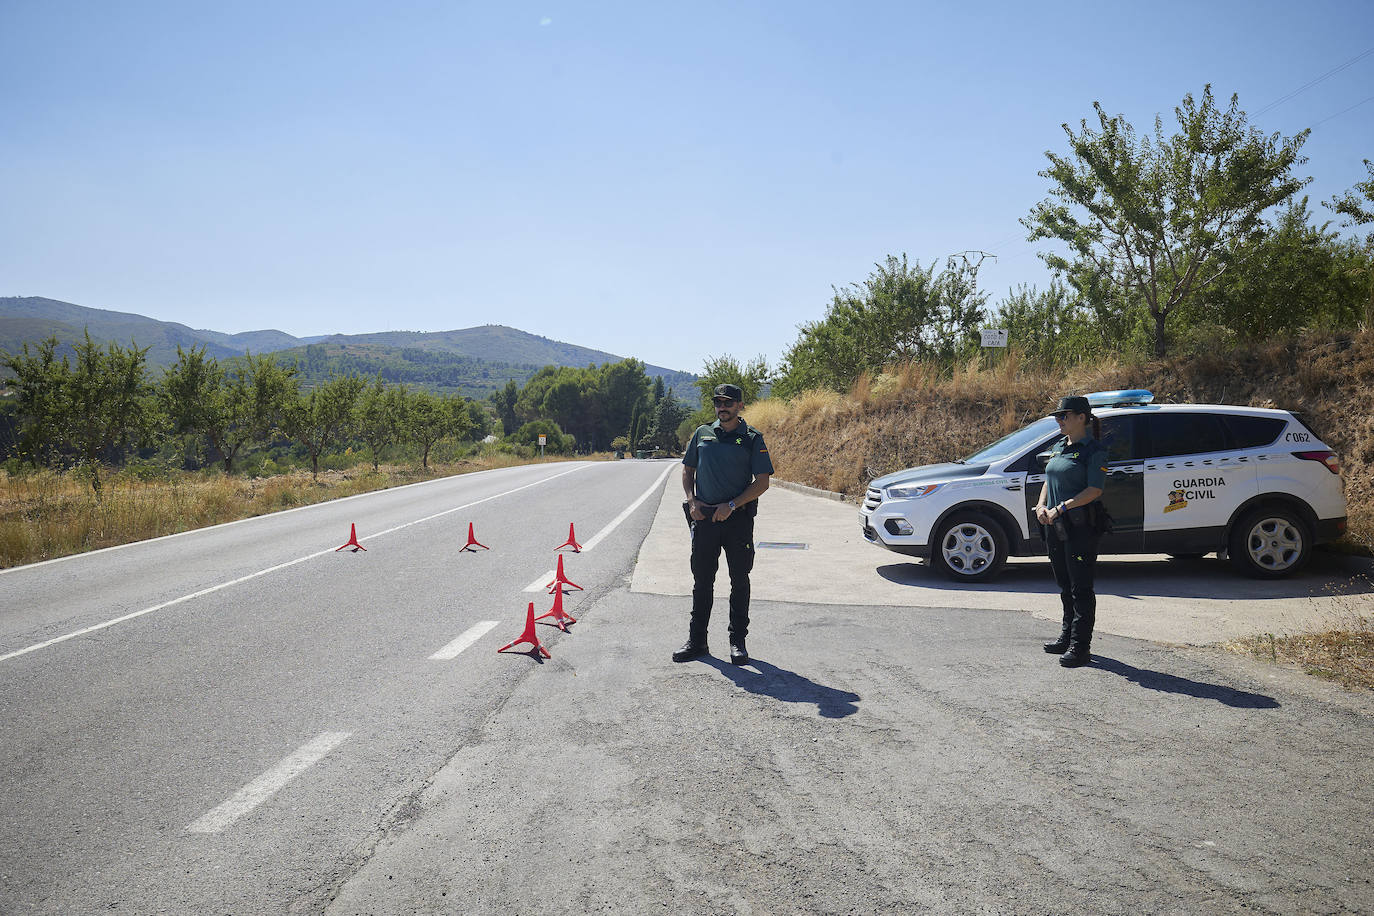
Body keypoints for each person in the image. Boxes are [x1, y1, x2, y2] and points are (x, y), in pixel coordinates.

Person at [673, 383, 774, 665]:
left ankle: (737, 642)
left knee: (739, 581)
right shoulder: (702, 434)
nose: (722, 407)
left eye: (728, 402)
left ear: (740, 406)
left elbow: (763, 482)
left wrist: (731, 505)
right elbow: (687, 470)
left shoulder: (752, 438)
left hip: (737, 521)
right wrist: (692, 501)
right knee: (702, 581)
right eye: (718, 402)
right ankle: (697, 641)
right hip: (704, 519)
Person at [1034, 395, 1108, 668]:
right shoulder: (1058, 447)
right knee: (1064, 584)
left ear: (1081, 418)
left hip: (1080, 527)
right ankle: (1067, 636)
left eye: (1064, 415)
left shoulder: (1093, 450)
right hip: (1055, 526)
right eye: (1057, 416)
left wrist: (1061, 507)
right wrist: (1042, 505)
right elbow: (1048, 479)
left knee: (1081, 588)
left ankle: (1081, 645)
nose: (1059, 420)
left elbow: (1094, 490)